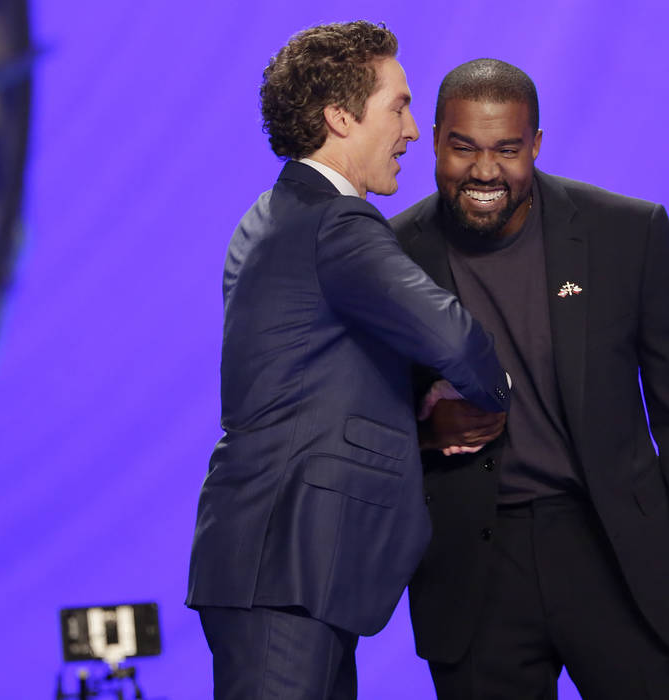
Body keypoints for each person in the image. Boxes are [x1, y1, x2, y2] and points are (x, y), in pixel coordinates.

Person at [390, 59, 669, 699]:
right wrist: (423, 433)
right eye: (463, 147)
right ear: (434, 139)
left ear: (535, 145)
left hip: (616, 555)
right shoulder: (390, 254)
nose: (483, 171)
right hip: (474, 566)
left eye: (507, 149)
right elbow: (355, 412)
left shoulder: (628, 233)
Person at [185, 27, 510, 700]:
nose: (413, 131)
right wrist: (491, 392)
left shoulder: (268, 216)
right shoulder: (336, 223)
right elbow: (458, 343)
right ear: (340, 116)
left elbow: (307, 387)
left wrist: (413, 419)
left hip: (278, 567)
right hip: (287, 567)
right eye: (399, 106)